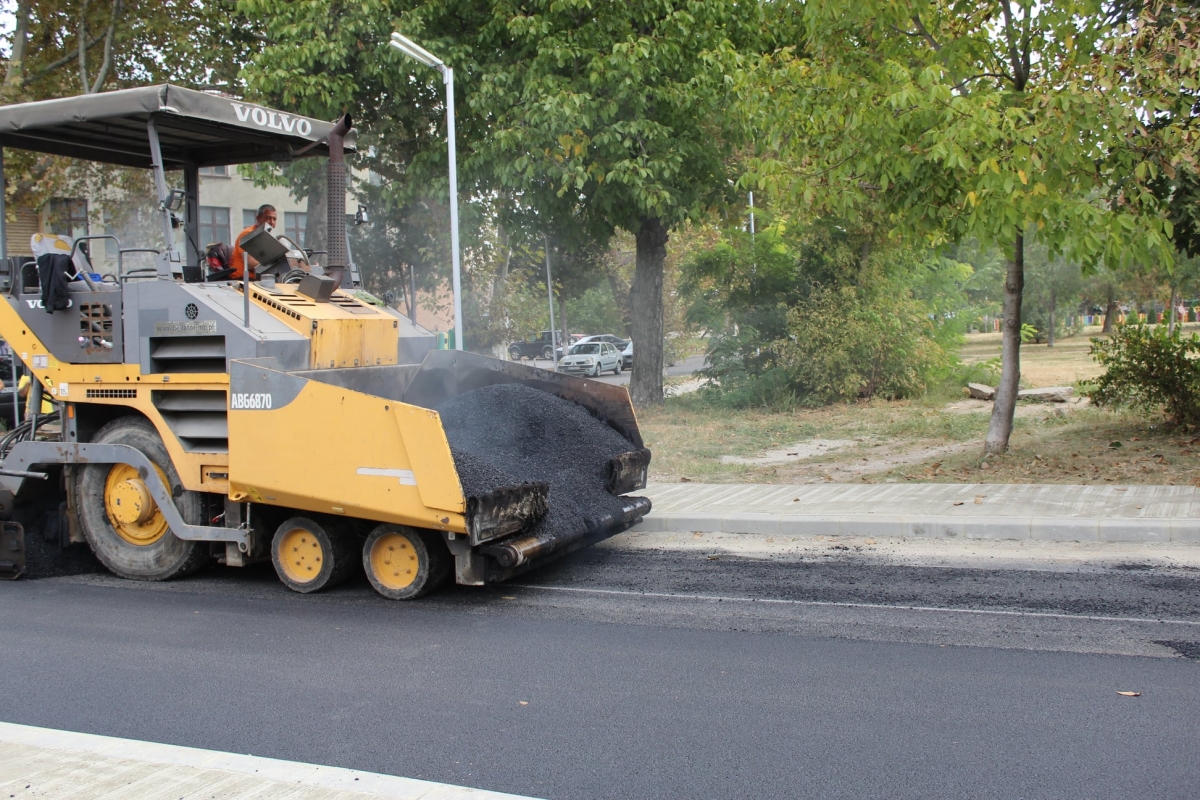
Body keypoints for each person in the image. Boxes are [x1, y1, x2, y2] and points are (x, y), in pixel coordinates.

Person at [228, 204, 278, 280]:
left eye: (274, 219)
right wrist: (274, 261)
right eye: (268, 218)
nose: (272, 222)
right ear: (258, 218)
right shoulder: (248, 234)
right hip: (242, 279)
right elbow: (250, 264)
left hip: (259, 279)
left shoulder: (269, 238)